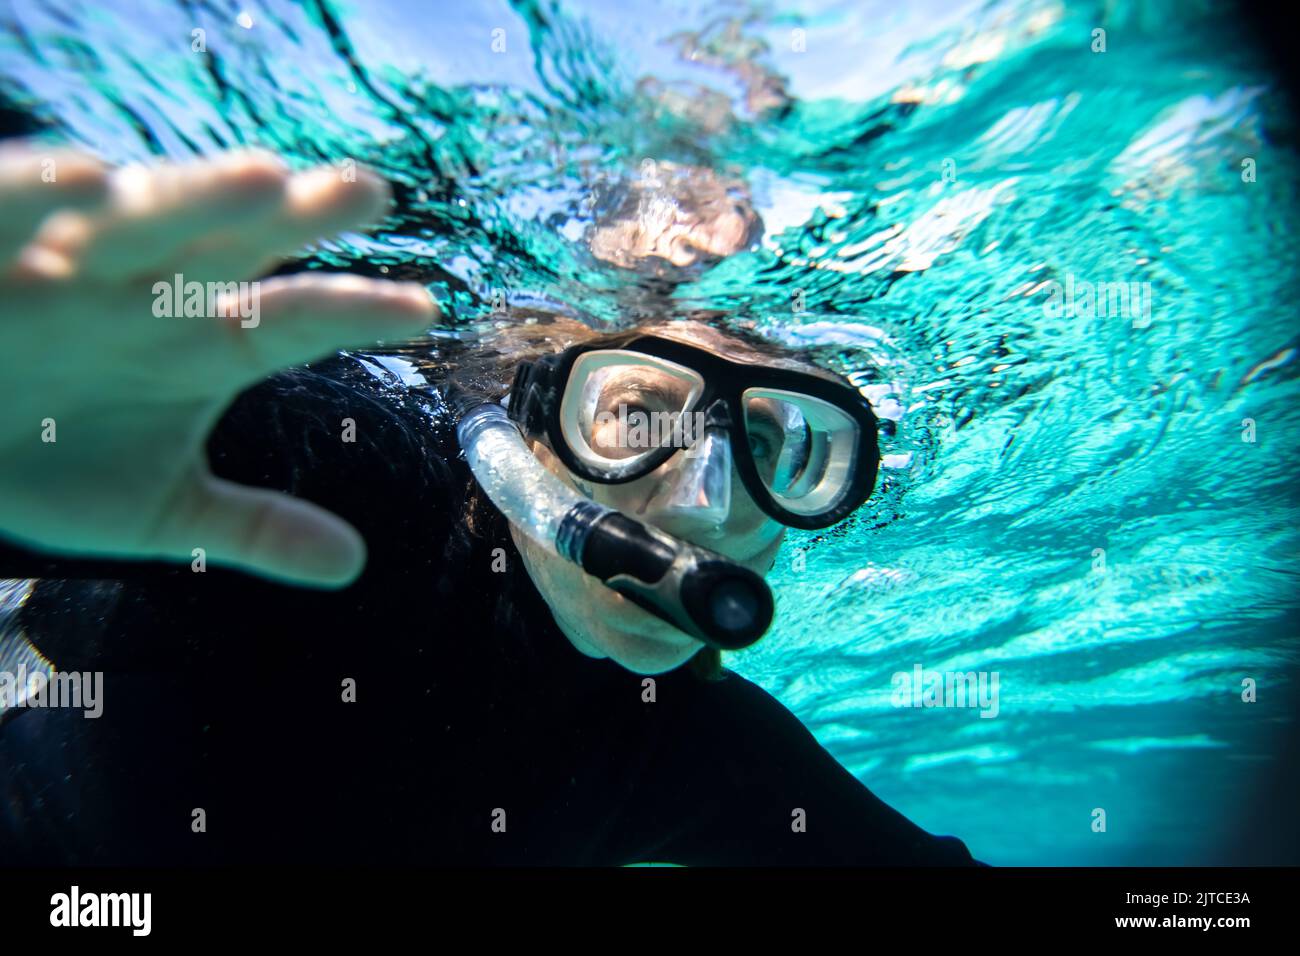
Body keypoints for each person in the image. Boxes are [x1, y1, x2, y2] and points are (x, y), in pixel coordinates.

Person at [0, 145, 978, 865]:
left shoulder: (685, 746)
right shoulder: (353, 483)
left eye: (762, 443)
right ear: (533, 425)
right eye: (636, 416)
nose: (706, 502)